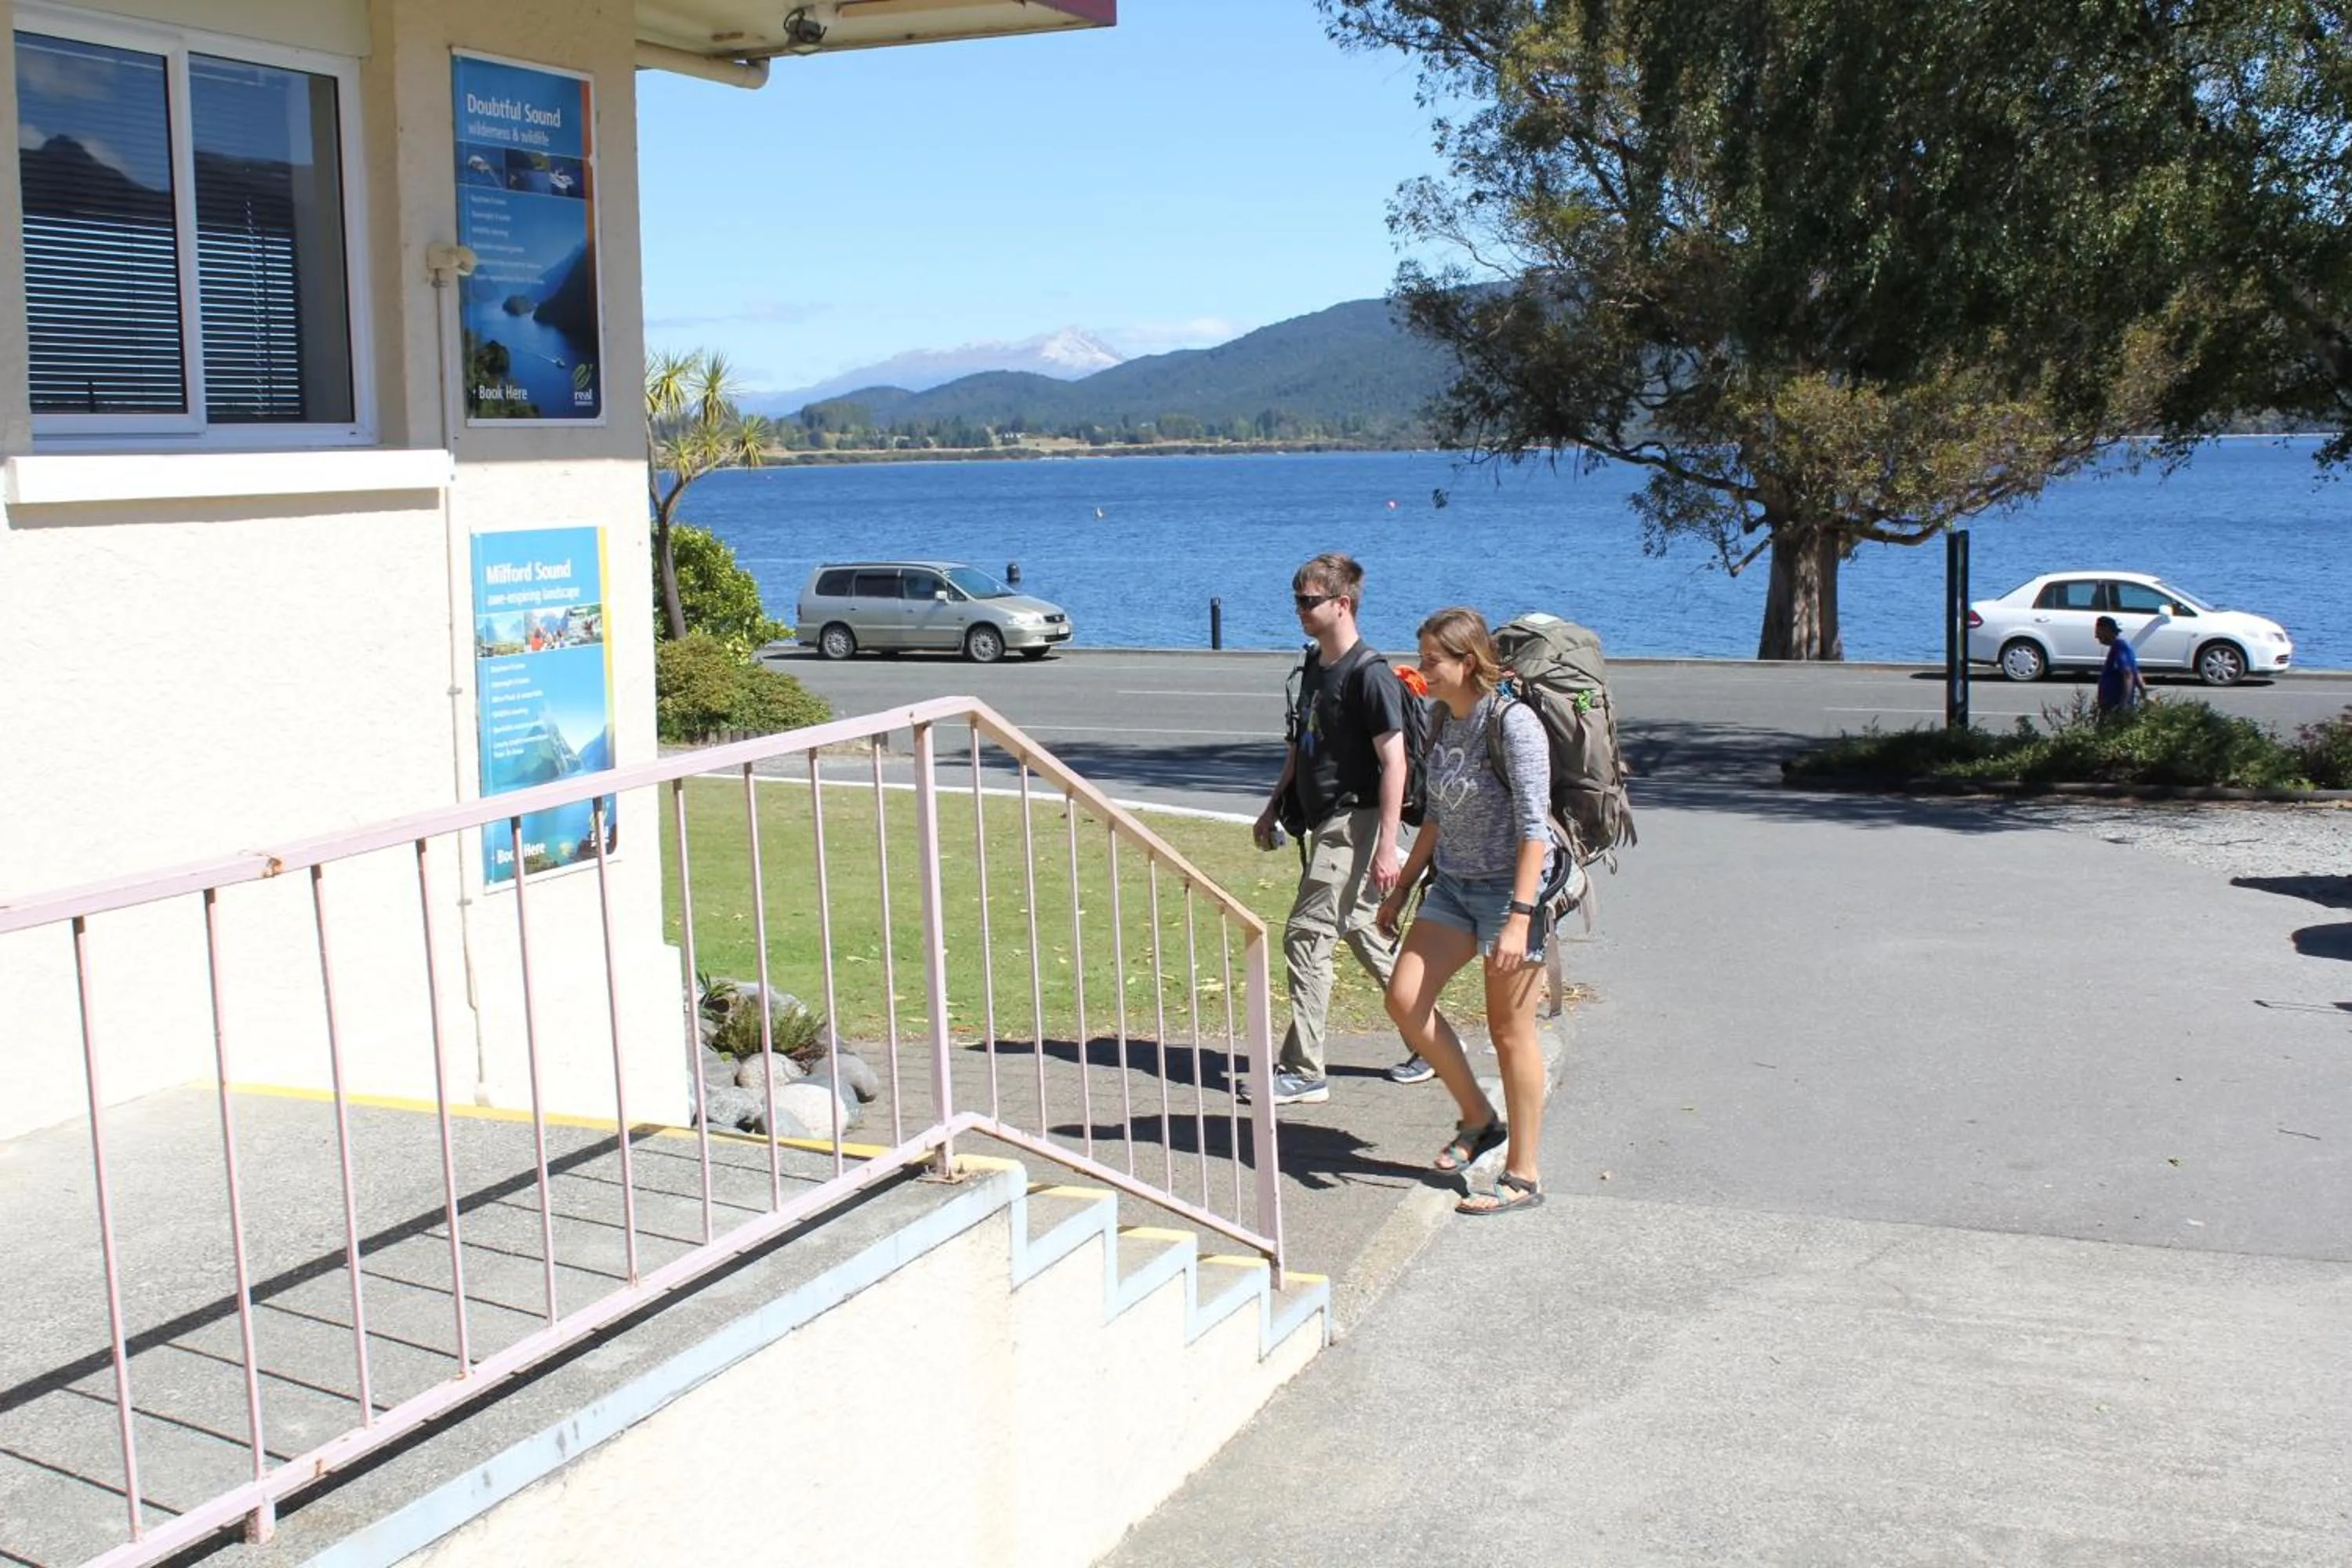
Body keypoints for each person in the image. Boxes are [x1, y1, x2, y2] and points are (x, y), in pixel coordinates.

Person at [1376, 606, 1557, 1215]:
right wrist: (1401, 888)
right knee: (1404, 1000)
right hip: (1452, 884)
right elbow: (1434, 813)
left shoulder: (1514, 725)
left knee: (1510, 1032)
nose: (1421, 669)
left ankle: (1524, 1174)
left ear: (1468, 663)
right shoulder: (1439, 719)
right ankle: (1480, 1119)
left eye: (1432, 660)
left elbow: (1535, 829)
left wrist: (1519, 917)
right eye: (1421, 656)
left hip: (1513, 891)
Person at [1250, 553, 1444, 1104]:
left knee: (1307, 934)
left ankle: (1304, 1069)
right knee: (1360, 925)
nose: (1300, 611)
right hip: (1324, 819)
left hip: (1352, 822)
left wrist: (1388, 847)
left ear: (1343, 603)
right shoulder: (1315, 666)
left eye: (1309, 602)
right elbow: (1301, 744)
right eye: (1297, 601)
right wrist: (1273, 806)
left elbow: (1396, 764)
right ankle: (1428, 1041)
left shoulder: (1370, 675)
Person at [2095, 615, 2147, 719]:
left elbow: (2128, 674)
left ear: (2107, 630)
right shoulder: (2120, 647)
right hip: (2111, 705)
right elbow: (2135, 673)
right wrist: (2144, 693)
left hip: (2115, 705)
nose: (2096, 636)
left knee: (2107, 732)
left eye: (2098, 632)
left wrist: (2125, 703)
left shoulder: (2120, 647)